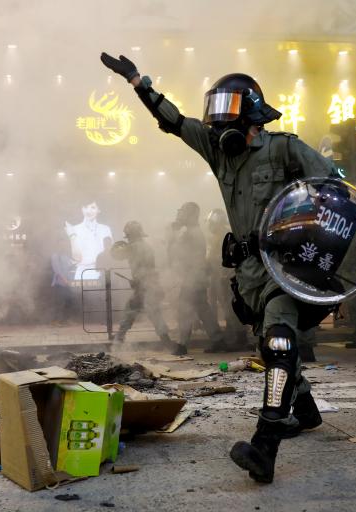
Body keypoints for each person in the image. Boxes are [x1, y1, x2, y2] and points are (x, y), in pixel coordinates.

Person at [101, 53, 335, 483]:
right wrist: (137, 82)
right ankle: (305, 410)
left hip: (284, 266)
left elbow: (334, 189)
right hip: (248, 272)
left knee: (281, 344)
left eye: (228, 115)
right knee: (270, 344)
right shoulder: (219, 152)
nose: (217, 126)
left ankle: (266, 445)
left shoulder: (285, 148)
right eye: (215, 116)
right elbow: (174, 121)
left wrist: (310, 237)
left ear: (253, 116)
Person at [168, 202, 224, 355]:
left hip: (192, 278)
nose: (180, 215)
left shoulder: (189, 232)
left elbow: (177, 253)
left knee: (184, 309)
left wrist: (174, 233)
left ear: (191, 214)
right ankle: (218, 339)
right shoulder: (194, 231)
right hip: (196, 277)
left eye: (184, 212)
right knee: (203, 309)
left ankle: (182, 344)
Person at [111, 221, 174, 347]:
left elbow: (142, 268)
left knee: (134, 310)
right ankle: (165, 339)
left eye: (128, 235)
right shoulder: (145, 246)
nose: (127, 238)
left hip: (145, 285)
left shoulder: (135, 247)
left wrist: (138, 281)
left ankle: (119, 338)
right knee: (151, 312)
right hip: (149, 284)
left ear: (131, 234)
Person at [206, 208, 249, 351]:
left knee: (232, 308)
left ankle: (241, 339)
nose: (210, 226)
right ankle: (234, 337)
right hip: (221, 276)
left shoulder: (224, 235)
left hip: (227, 276)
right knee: (227, 308)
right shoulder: (217, 235)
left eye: (211, 223)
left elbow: (223, 258)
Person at [65, 201, 113, 280]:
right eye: (85, 207)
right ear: (82, 209)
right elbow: (77, 258)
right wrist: (72, 236)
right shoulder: (75, 229)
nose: (88, 211)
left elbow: (110, 254)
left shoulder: (105, 229)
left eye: (93, 207)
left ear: (99, 210)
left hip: (103, 273)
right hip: (83, 273)